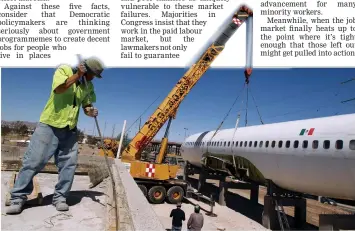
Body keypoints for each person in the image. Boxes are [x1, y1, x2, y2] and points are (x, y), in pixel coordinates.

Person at [6, 58, 104, 214]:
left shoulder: (88, 86)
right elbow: (59, 89)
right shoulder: (64, 70)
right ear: (86, 69)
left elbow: (86, 105)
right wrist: (77, 75)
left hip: (70, 128)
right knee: (33, 162)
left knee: (68, 166)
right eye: (92, 75)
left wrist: (90, 111)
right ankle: (17, 198)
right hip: (50, 124)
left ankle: (60, 198)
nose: (93, 78)